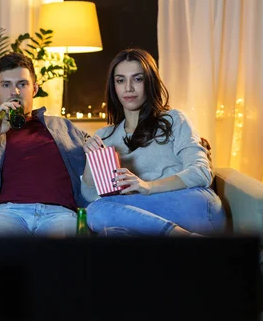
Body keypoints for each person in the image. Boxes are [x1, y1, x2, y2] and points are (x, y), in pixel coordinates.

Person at [81, 48, 226, 236]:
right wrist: (90, 159)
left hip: (192, 205)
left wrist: (148, 187)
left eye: (138, 79)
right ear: (113, 86)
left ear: (149, 82)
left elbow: (201, 172)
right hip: (140, 216)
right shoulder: (105, 135)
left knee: (99, 212)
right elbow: (90, 196)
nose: (128, 88)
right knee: (107, 222)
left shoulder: (174, 119)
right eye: (120, 80)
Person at [0, 53, 88, 237]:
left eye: (22, 84)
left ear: (34, 89)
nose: (14, 92)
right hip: (4, 214)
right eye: (6, 84)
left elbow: (94, 181)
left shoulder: (64, 127)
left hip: (60, 214)